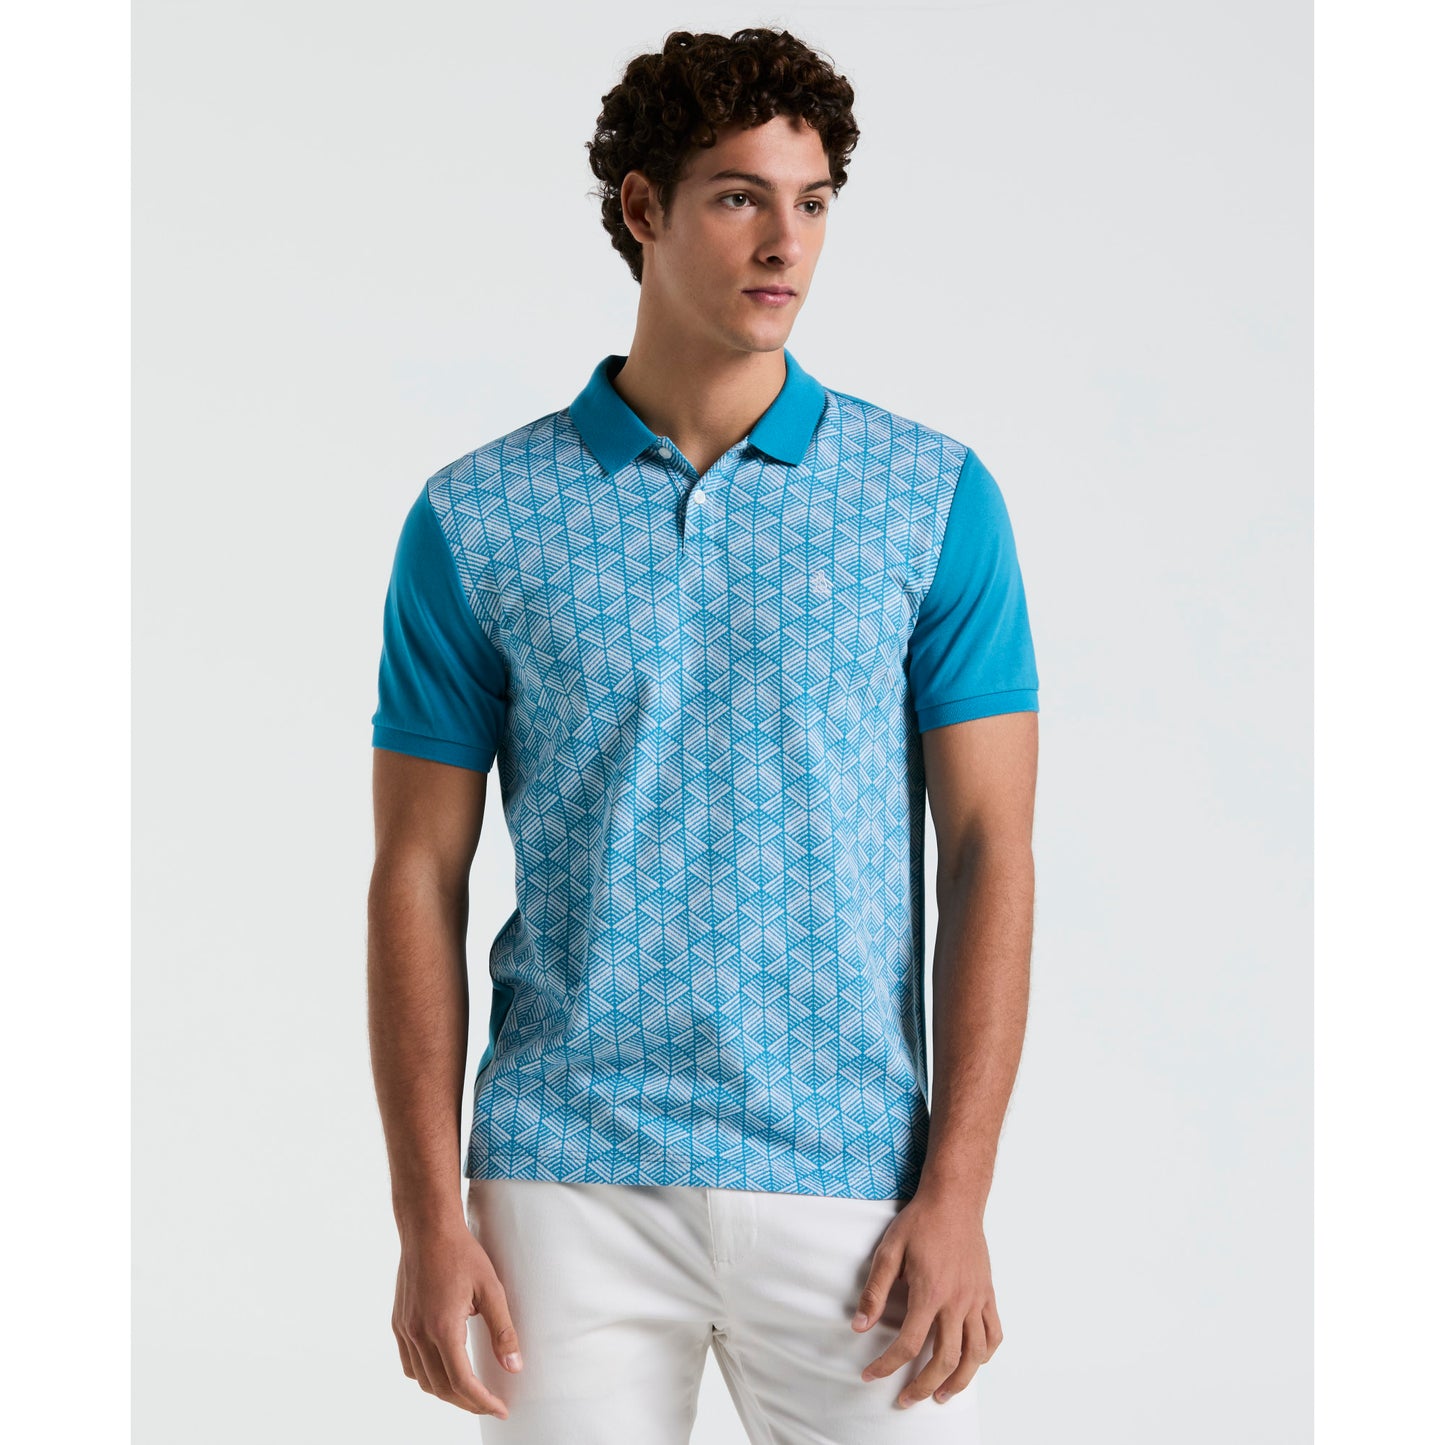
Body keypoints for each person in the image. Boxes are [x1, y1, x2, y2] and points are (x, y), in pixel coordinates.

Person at [367, 25, 1039, 1444]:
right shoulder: (477, 517)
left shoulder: (929, 498)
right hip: (564, 1180)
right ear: (642, 209)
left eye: (812, 202)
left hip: (853, 1179)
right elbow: (416, 874)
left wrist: (960, 1192)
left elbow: (990, 847)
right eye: (740, 197)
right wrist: (428, 1216)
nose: (785, 242)